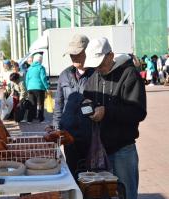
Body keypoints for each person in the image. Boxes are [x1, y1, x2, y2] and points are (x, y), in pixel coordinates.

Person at [83, 37, 147, 199]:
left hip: (123, 149)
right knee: (102, 194)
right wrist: (87, 107)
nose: (98, 68)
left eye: (101, 63)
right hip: (100, 149)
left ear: (110, 56)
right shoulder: (95, 77)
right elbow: (87, 98)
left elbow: (138, 112)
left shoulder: (129, 75)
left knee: (126, 193)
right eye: (95, 64)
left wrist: (107, 111)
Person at [50, 34, 94, 177]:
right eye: (71, 53)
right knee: (72, 173)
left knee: (92, 176)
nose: (72, 57)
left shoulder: (97, 74)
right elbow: (58, 103)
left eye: (76, 53)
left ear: (87, 52)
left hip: (91, 134)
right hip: (69, 135)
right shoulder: (64, 75)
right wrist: (56, 128)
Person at [25, 54, 49, 123]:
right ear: (40, 60)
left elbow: (27, 79)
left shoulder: (29, 68)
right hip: (39, 88)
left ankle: (30, 119)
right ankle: (41, 119)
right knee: (40, 104)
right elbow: (43, 78)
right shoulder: (41, 67)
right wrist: (47, 87)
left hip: (30, 88)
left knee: (32, 104)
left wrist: (27, 88)